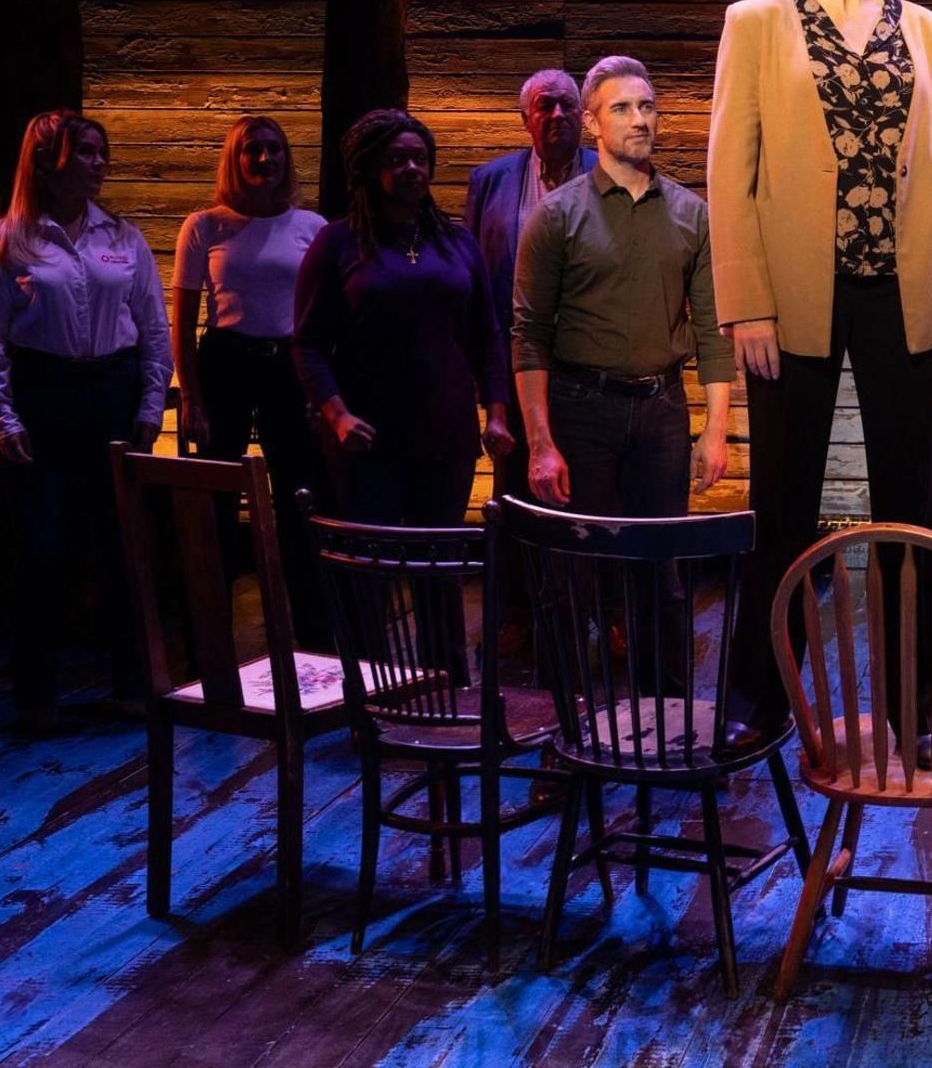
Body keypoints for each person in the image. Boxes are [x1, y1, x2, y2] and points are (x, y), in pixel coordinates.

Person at [708, 0, 932, 750]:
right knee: (781, 499)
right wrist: (746, 301)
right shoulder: (755, 23)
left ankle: (912, 708)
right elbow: (729, 173)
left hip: (898, 290)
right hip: (792, 297)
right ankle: (762, 693)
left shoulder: (927, 32)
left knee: (912, 500)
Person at [513, 55, 732, 690]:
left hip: (661, 409)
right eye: (621, 108)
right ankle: (560, 734)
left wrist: (714, 429)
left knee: (661, 574)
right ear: (592, 123)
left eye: (647, 106)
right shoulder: (556, 216)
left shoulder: (692, 215)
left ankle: (664, 723)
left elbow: (714, 332)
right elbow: (528, 335)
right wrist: (541, 441)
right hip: (582, 408)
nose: (640, 120)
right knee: (571, 575)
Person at [0, 110, 173, 731]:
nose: (100, 163)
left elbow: (154, 328)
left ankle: (134, 685)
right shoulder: (8, 239)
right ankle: (37, 697)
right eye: (86, 152)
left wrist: (147, 402)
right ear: (47, 160)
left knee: (121, 543)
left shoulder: (122, 238)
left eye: (101, 152)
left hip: (110, 389)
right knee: (42, 547)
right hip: (45, 393)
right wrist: (1, 416)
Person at [293, 108, 512, 527]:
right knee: (374, 575)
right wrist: (337, 416)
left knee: (437, 569)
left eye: (420, 159)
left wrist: (497, 415)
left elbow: (487, 335)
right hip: (367, 435)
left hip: (446, 433)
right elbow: (308, 344)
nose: (412, 168)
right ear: (372, 168)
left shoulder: (458, 242)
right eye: (397, 159)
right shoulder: (338, 241)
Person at [171, 114, 331, 640]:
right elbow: (186, 316)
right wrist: (191, 395)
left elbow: (324, 313)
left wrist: (322, 391)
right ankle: (209, 639)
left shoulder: (311, 227)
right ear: (235, 160)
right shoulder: (205, 226)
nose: (266, 159)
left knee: (300, 495)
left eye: (275, 149)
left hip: (291, 364)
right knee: (218, 498)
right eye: (253, 150)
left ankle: (310, 634)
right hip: (228, 360)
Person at [467, 70, 597, 504]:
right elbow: (476, 279)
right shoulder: (490, 180)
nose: (557, 114)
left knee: (586, 492)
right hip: (514, 365)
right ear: (526, 118)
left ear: (583, 115)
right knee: (515, 494)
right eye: (545, 105)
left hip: (592, 370)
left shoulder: (612, 173)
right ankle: (518, 575)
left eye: (567, 105)